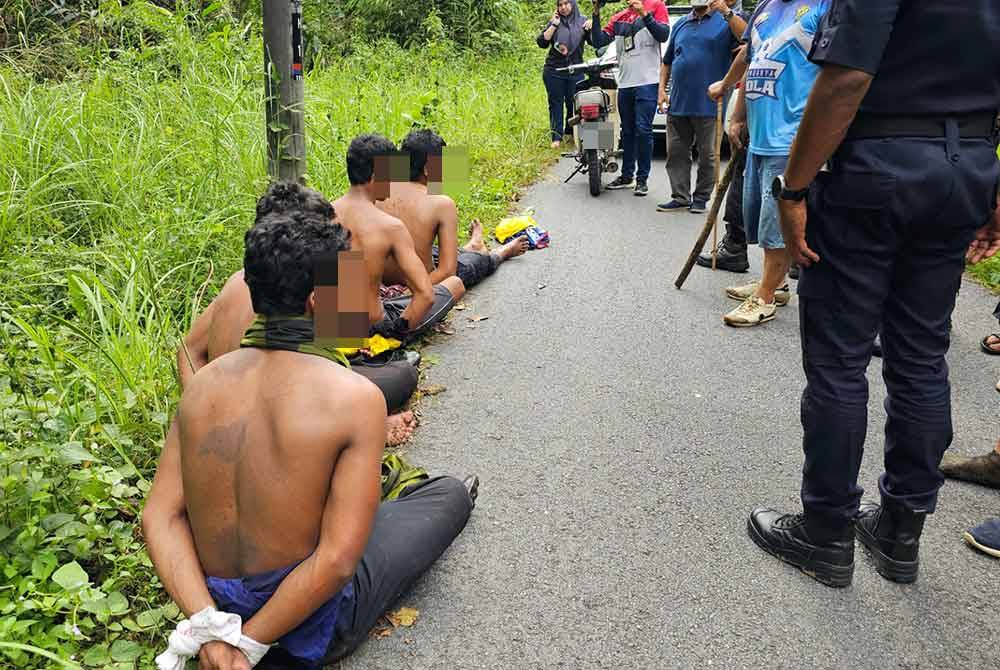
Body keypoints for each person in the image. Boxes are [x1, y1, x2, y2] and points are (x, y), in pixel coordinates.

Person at [144, 211, 477, 670]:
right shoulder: (356, 397)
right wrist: (247, 646)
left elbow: (160, 515)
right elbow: (339, 560)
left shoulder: (202, 385)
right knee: (448, 494)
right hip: (309, 623)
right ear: (320, 299)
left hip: (217, 602)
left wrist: (209, 629)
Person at [748, 0, 1000, 587]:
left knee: (839, 361)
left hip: (874, 169)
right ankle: (899, 531)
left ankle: (827, 532)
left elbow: (846, 79)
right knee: (920, 357)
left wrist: (793, 190)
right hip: (964, 167)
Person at [177, 182, 420, 447]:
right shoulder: (314, 284)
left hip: (238, 400)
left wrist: (200, 406)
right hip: (285, 411)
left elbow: (188, 349)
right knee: (401, 373)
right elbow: (351, 344)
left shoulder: (241, 279)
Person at [721, 0, 830, 328]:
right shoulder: (766, 7)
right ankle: (777, 283)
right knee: (757, 212)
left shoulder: (825, 6)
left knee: (776, 217)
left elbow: (834, 72)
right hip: (760, 132)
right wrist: (738, 117)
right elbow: (752, 60)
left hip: (792, 133)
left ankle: (766, 296)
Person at [333, 134, 465, 342]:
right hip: (374, 327)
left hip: (334, 327)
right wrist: (395, 335)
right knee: (455, 283)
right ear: (377, 175)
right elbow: (425, 295)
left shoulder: (324, 214)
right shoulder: (390, 227)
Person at [377, 129, 529, 290]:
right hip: (418, 283)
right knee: (471, 265)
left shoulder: (379, 188)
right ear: (428, 169)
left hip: (382, 279)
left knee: (430, 249)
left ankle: (471, 247)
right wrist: (411, 290)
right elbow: (447, 272)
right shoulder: (442, 204)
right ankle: (498, 254)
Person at [656, 0, 745, 214]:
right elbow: (667, 61)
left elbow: (747, 39)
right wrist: (661, 90)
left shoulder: (724, 20)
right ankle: (680, 196)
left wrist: (725, 10)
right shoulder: (681, 24)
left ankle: (701, 197)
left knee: (708, 155)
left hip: (709, 103)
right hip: (678, 101)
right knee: (676, 152)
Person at [590, 0, 670, 197]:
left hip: (647, 81)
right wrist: (596, 13)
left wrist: (644, 14)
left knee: (643, 130)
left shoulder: (656, 6)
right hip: (625, 82)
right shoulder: (619, 17)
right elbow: (599, 41)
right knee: (627, 131)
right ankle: (627, 177)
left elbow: (663, 34)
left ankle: (642, 179)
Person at [697, 44, 751, 273]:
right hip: (761, 111)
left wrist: (726, 84)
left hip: (788, 116)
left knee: (785, 189)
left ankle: (776, 278)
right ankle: (735, 245)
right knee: (742, 175)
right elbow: (750, 54)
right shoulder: (768, 11)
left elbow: (748, 52)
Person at [538, 0, 593, 149]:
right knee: (555, 103)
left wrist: (593, 26)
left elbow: (595, 42)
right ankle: (556, 137)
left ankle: (571, 133)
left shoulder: (583, 21)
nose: (563, 7)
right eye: (560, 5)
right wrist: (554, 25)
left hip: (575, 70)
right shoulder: (555, 21)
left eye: (566, 4)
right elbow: (542, 42)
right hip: (554, 71)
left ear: (573, 4)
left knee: (574, 103)